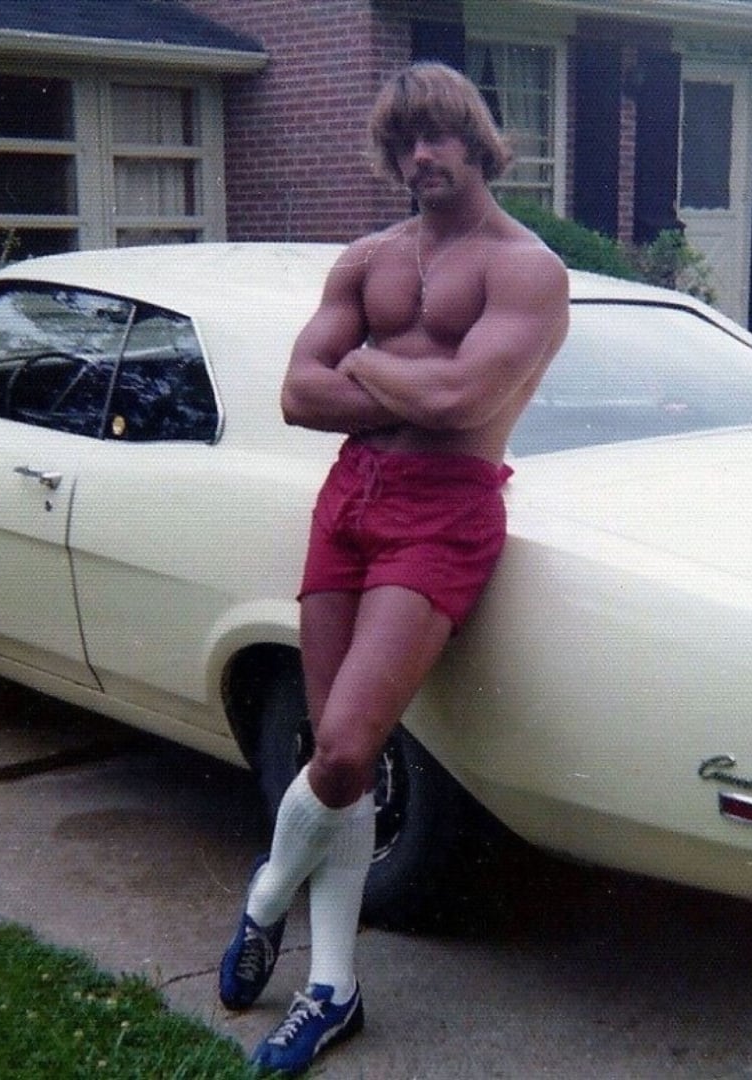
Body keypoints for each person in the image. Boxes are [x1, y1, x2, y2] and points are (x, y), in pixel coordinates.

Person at [218, 60, 569, 1077]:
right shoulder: (364, 260)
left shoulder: (524, 268)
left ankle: (264, 898)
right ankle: (333, 991)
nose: (423, 153)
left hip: (442, 517)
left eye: (441, 133)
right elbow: (295, 394)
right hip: (349, 502)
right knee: (346, 760)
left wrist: (364, 366)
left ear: (479, 141)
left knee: (336, 756)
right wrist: (400, 382)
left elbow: (464, 404)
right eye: (406, 137)